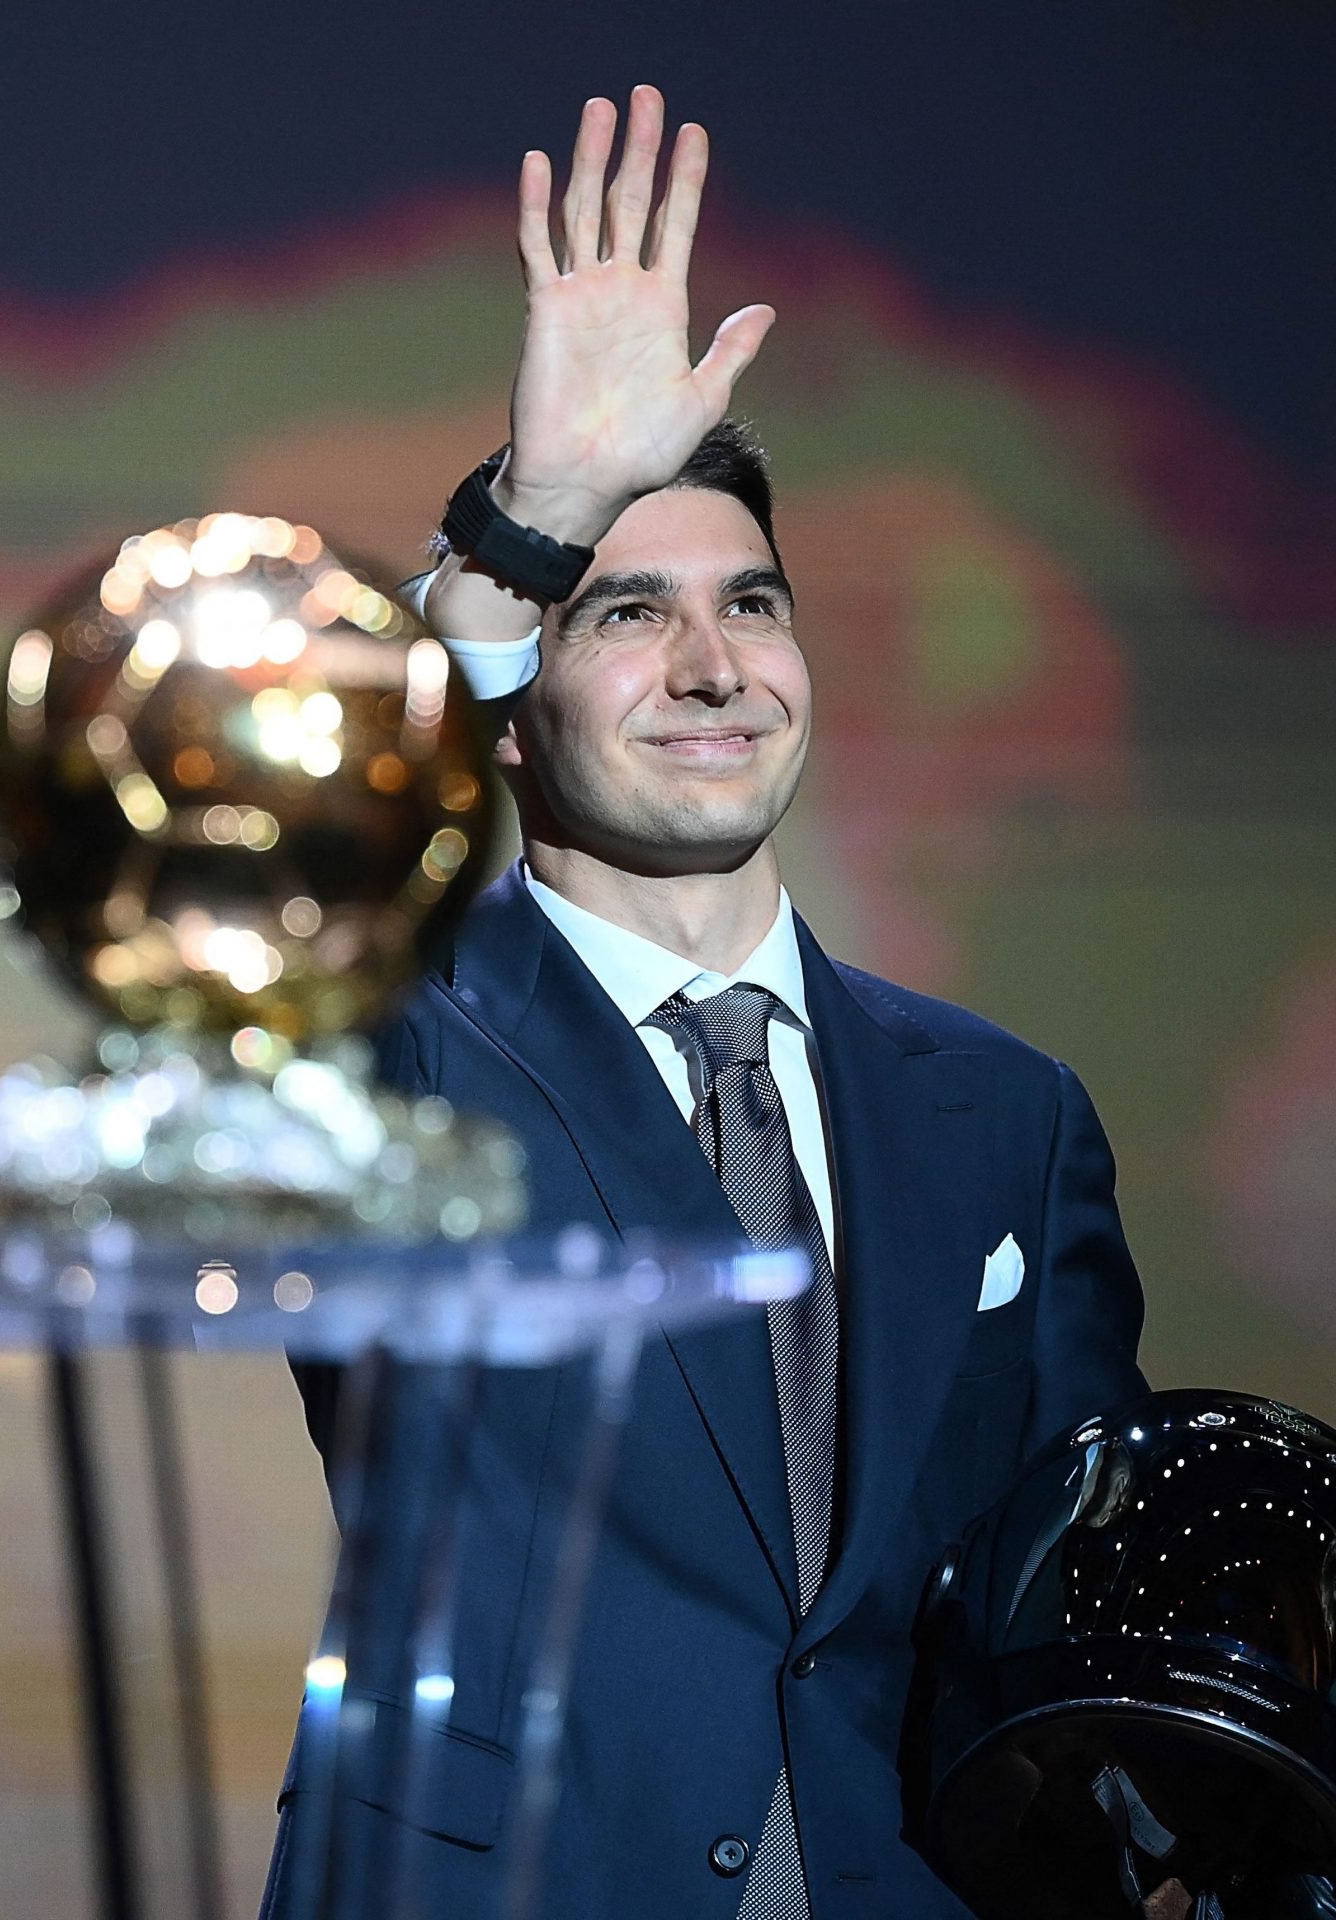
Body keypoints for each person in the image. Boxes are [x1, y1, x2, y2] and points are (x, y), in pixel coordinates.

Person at [263, 86, 1146, 1918]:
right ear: (513, 694)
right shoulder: (392, 1043)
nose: (712, 664)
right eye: (622, 613)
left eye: (755, 604)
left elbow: (1070, 1589)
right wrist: (525, 526)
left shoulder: (1007, 1113)